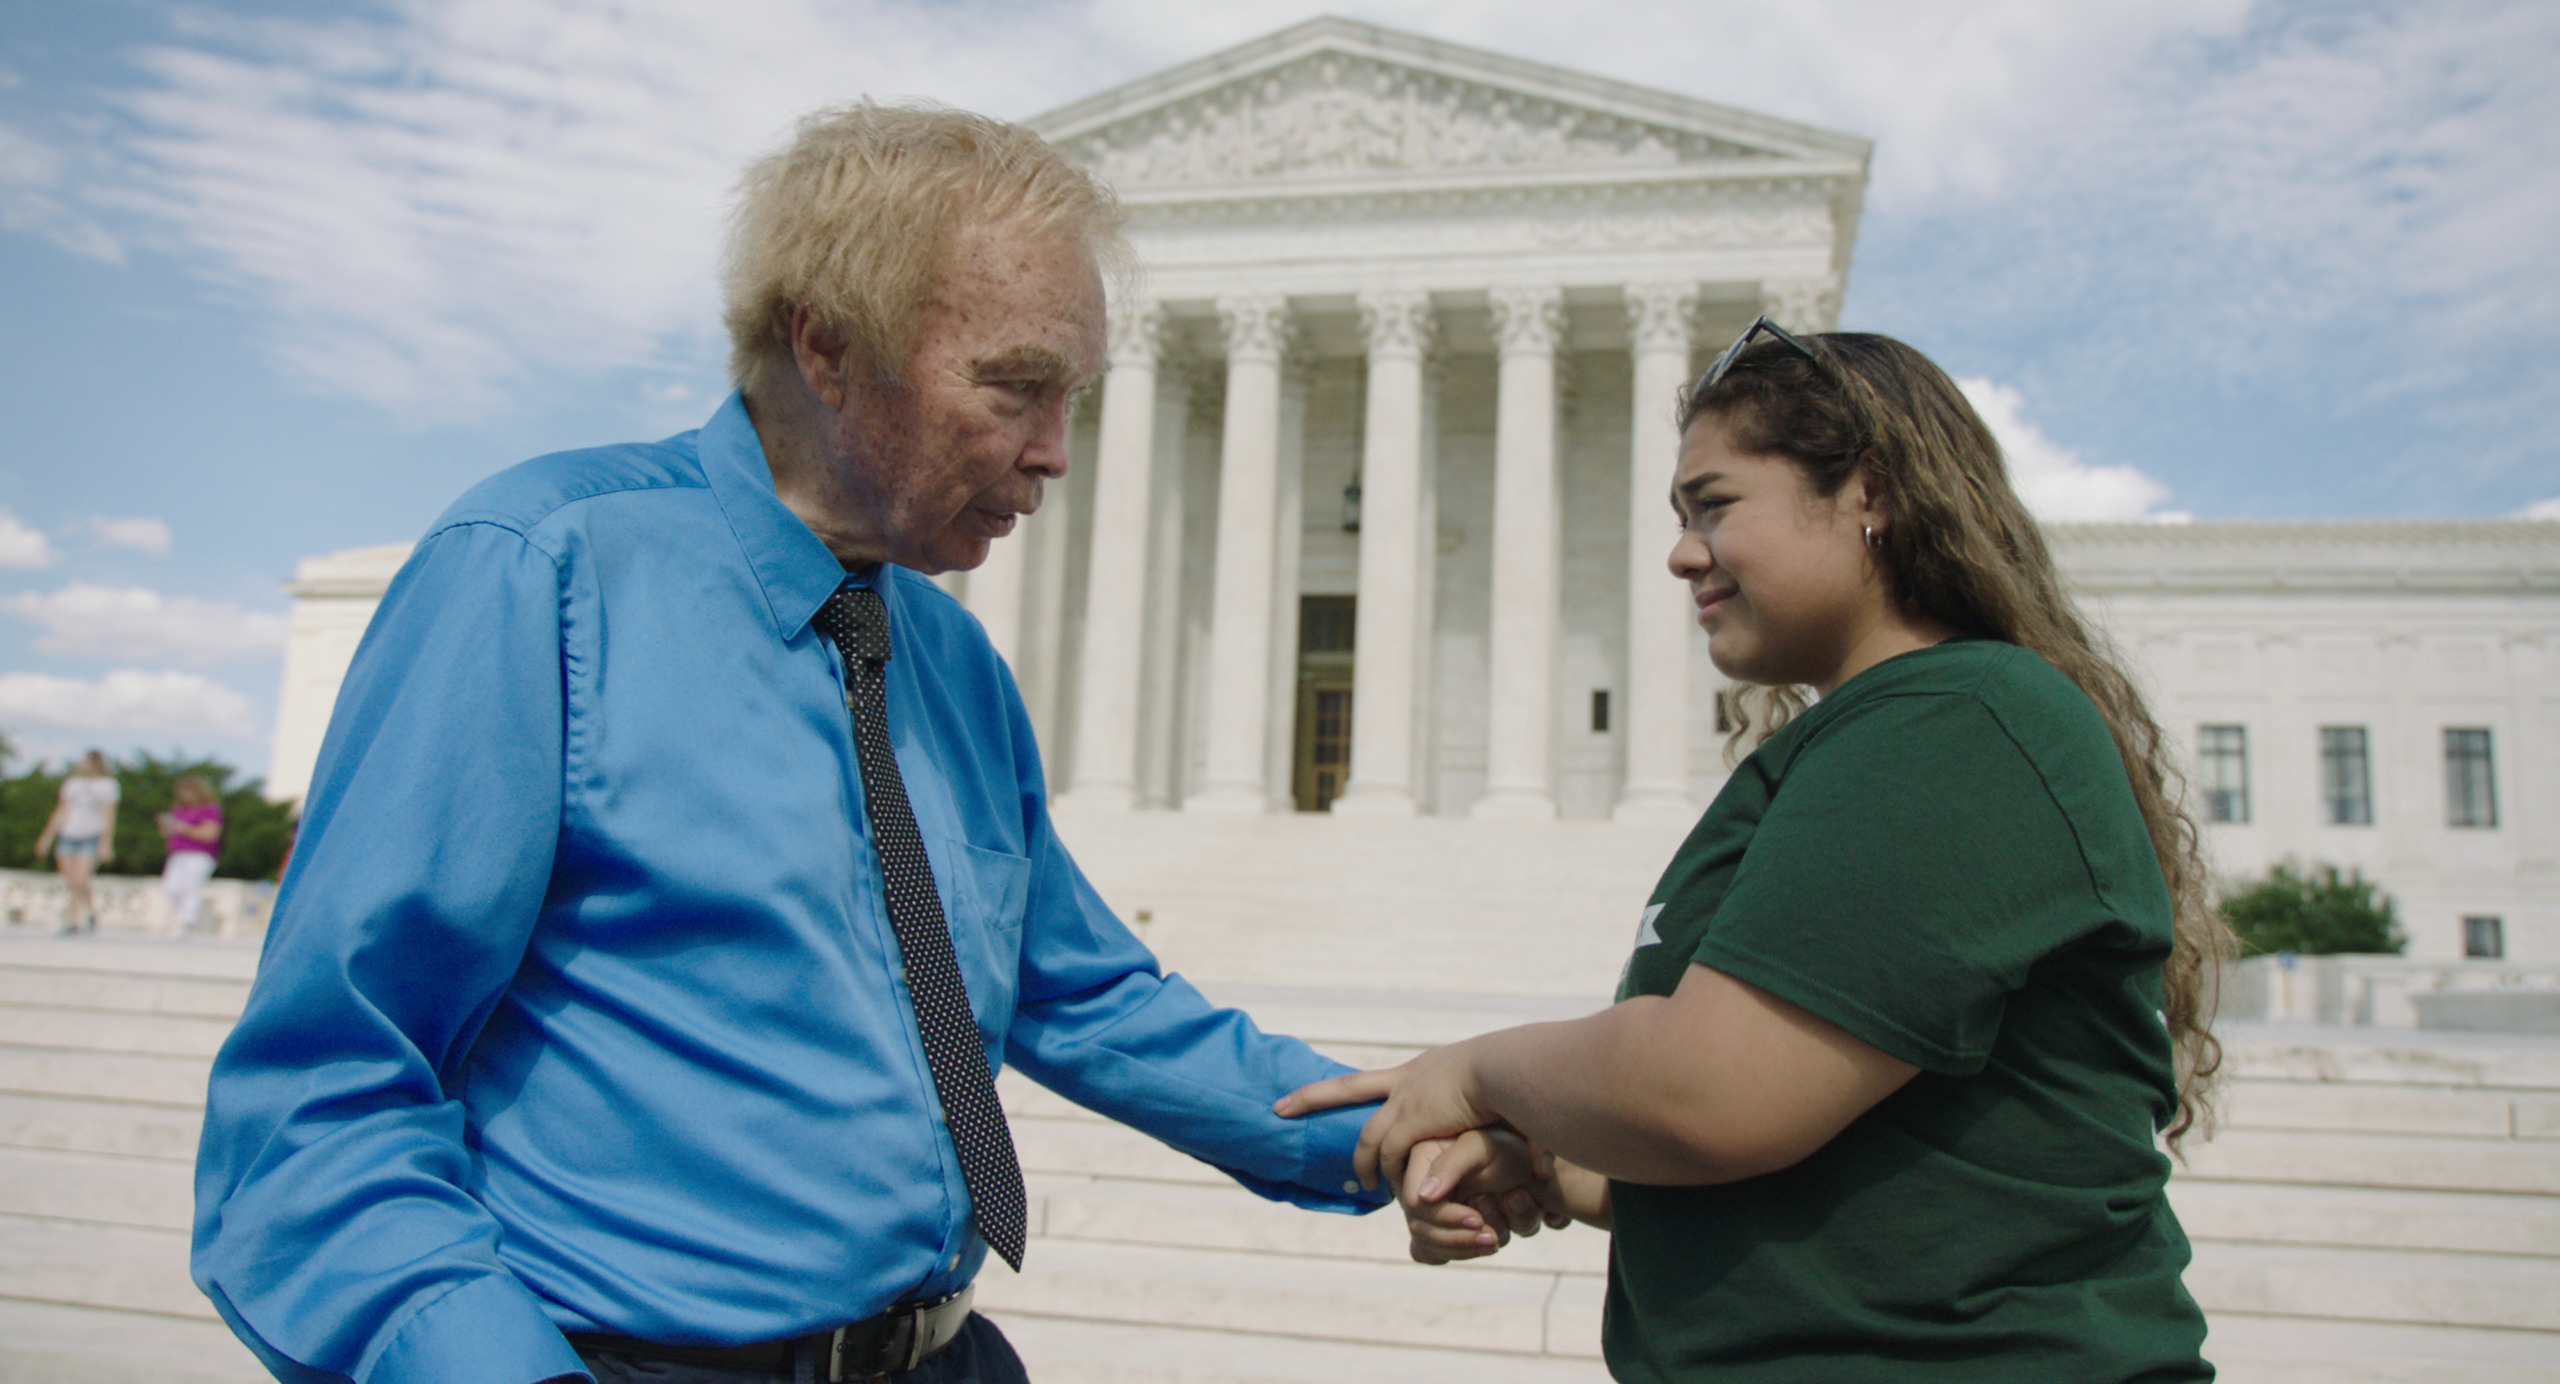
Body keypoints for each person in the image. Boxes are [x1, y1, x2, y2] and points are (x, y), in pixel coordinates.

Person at [193, 104, 1529, 1384]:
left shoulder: (948, 658)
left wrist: (1395, 1131)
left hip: (942, 1355)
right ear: (825, 346)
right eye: (1015, 389)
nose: (1058, 455)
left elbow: (1079, 994)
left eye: (1074, 397)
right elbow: (326, 1091)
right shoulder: (544, 574)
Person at [1283, 322, 2229, 1381]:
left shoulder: (1961, 722)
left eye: (1714, 505)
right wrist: (1539, 1164)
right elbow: (1830, 1158)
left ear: (1868, 492)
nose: (1682, 552)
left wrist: (1477, 1070)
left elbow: (1709, 1093)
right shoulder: (1856, 747)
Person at [32, 750, 118, 934]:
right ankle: (76, 919)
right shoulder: (72, 784)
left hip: (91, 835)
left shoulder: (108, 785)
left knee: (80, 878)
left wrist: (106, 843)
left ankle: (82, 916)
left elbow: (108, 815)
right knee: (71, 880)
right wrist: (46, 838)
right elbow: (61, 811)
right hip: (68, 834)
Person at [157, 774, 224, 934]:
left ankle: (188, 922)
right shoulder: (179, 810)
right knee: (171, 887)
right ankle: (188, 917)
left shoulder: (210, 809)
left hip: (199, 855)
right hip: (178, 854)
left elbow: (211, 834)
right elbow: (168, 833)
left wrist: (185, 829)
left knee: (191, 888)